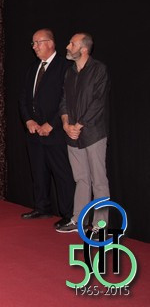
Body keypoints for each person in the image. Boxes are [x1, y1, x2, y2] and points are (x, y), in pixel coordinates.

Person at [18, 29, 75, 229]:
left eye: (38, 42)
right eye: (33, 44)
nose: (34, 47)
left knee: (62, 174)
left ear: (50, 43)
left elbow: (67, 100)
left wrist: (51, 123)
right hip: (34, 133)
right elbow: (23, 98)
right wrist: (29, 121)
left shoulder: (65, 67)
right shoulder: (33, 68)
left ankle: (69, 214)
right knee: (38, 172)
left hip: (56, 132)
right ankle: (42, 207)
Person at [56, 33, 110, 233]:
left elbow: (98, 102)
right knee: (81, 179)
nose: (67, 46)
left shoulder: (99, 70)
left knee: (99, 181)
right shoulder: (70, 72)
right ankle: (78, 219)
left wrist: (78, 125)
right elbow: (63, 100)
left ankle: (100, 226)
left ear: (84, 49)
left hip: (93, 133)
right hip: (72, 134)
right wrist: (65, 124)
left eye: (72, 44)